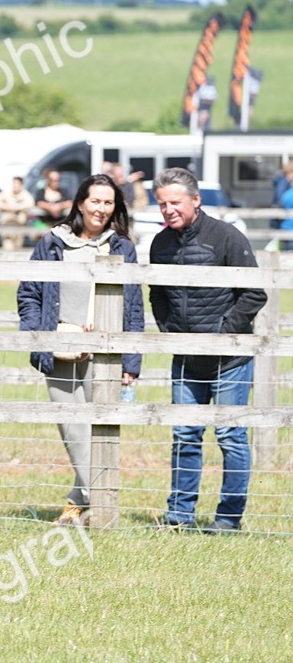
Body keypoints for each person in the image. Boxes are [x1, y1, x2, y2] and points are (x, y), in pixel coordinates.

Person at [17, 173, 144, 527]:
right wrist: (39, 335)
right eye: (95, 201)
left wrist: (131, 359)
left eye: (108, 202)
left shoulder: (121, 247)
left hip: (104, 352)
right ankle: (99, 499)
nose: (101, 209)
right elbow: (29, 292)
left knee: (97, 429)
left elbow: (133, 305)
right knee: (72, 427)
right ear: (80, 203)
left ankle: (80, 504)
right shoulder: (52, 243)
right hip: (59, 349)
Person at [149, 167, 267, 532]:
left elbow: (254, 293)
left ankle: (228, 519)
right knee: (185, 434)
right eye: (162, 204)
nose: (168, 210)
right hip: (186, 358)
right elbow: (156, 293)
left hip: (229, 359)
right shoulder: (160, 244)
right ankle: (179, 515)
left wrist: (222, 332)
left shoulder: (227, 237)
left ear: (195, 200)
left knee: (231, 436)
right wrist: (169, 330)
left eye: (175, 202)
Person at [0, 176, 36, 250]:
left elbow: (30, 204)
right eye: (14, 183)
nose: (15, 186)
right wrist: (5, 206)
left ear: (21, 185)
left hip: (19, 225)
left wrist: (17, 207)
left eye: (17, 184)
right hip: (7, 224)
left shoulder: (25, 195)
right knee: (8, 248)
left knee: (18, 248)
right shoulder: (6, 193)